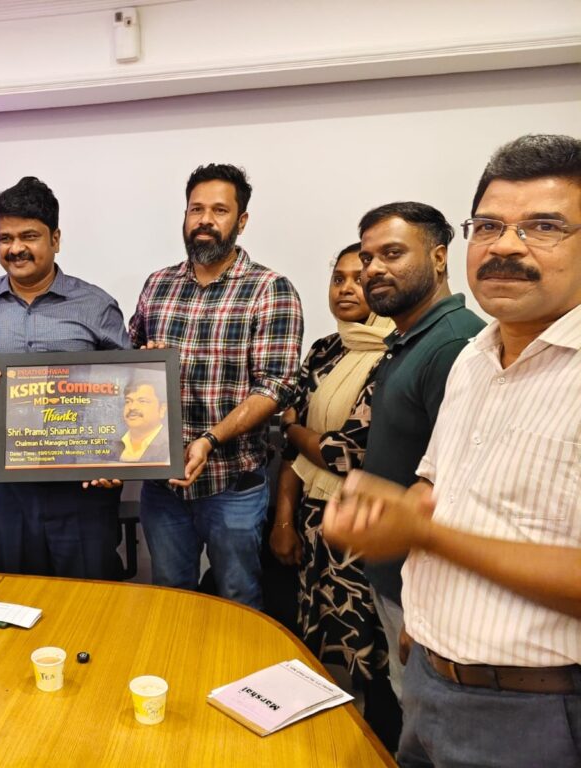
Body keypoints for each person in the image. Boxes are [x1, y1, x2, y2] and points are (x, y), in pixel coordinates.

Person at [324, 133, 581, 768]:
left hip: (535, 712)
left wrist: (425, 535)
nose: (506, 246)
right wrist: (393, 523)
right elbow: (439, 487)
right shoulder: (474, 358)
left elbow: (436, 527)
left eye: (544, 226)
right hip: (432, 679)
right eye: (488, 226)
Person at [129, 163, 303, 608]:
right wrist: (144, 361)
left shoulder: (271, 289)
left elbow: (275, 387)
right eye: (196, 209)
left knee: (238, 599)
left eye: (219, 210)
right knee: (172, 597)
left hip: (233, 486)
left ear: (241, 221)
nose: (205, 220)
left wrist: (209, 440)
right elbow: (128, 368)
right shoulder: (158, 285)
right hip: (163, 487)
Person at [0, 176, 130, 579]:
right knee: (16, 592)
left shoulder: (96, 305)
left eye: (28, 236)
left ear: (55, 239)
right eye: (5, 238)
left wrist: (115, 457)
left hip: (80, 482)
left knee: (87, 592)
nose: (15, 248)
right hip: (5, 482)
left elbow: (129, 384)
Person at [271, 243, 399, 746]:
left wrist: (295, 429)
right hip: (313, 519)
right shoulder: (325, 350)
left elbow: (344, 453)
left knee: (371, 649)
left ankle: (374, 744)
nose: (346, 289)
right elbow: (296, 453)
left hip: (367, 526)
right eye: (338, 279)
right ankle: (323, 740)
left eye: (358, 279)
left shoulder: (396, 353)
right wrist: (284, 520)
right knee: (316, 637)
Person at [356, 201, 485, 697]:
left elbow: (457, 489)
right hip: (396, 578)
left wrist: (423, 604)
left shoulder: (453, 344)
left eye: (392, 253)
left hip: (421, 591)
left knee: (422, 715)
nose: (373, 269)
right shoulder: (410, 338)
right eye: (367, 258)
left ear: (438, 257)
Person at [114, 376, 170, 464]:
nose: (132, 407)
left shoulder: (171, 447)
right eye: (128, 401)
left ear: (162, 409)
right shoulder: (113, 445)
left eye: (142, 401)